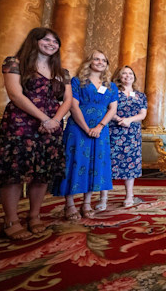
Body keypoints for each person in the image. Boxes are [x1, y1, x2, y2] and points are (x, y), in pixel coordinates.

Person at [0, 28, 72, 240]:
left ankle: (34, 216)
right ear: (34, 40)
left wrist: (55, 120)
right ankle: (11, 220)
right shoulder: (15, 62)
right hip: (21, 122)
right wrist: (44, 119)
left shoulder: (62, 71)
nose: (51, 43)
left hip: (51, 124)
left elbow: (67, 100)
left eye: (55, 41)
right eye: (46, 39)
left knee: (42, 172)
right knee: (14, 171)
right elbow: (15, 94)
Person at [52, 51, 118, 220]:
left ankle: (87, 203)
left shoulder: (110, 85)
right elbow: (73, 106)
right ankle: (70, 204)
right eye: (96, 58)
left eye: (104, 60)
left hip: (100, 131)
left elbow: (113, 109)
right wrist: (86, 128)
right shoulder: (77, 81)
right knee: (74, 162)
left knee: (93, 164)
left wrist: (99, 126)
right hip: (78, 128)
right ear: (89, 61)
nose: (100, 62)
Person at [99, 66, 147, 209]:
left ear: (134, 76)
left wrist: (129, 120)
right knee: (108, 164)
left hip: (132, 134)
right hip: (113, 131)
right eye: (124, 73)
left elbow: (142, 114)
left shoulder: (140, 95)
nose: (127, 76)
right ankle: (103, 198)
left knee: (130, 164)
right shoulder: (112, 91)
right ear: (118, 77)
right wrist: (119, 119)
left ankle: (129, 196)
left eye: (130, 73)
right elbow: (105, 108)